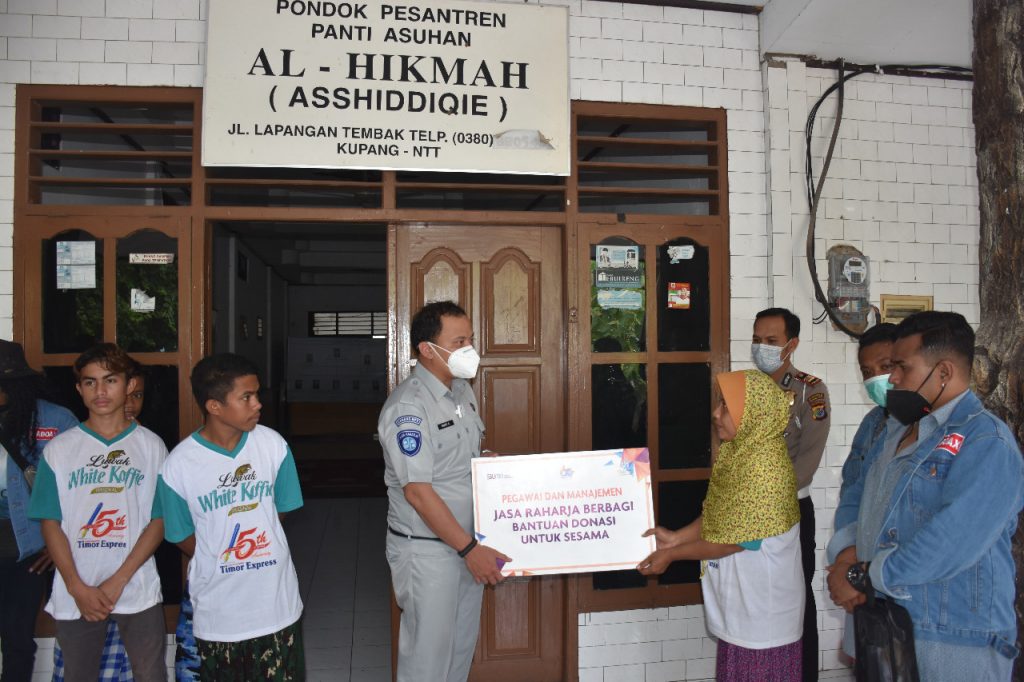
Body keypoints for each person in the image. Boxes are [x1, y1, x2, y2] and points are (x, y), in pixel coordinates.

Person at [826, 311, 1023, 680]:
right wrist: (849, 558)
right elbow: (868, 507)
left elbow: (950, 541)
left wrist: (862, 575)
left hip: (953, 640)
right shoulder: (896, 432)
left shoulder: (986, 442)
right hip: (892, 624)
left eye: (901, 367)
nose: (893, 378)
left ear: (944, 373)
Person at [638, 370, 803, 681]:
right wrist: (676, 538)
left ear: (752, 411)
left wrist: (673, 555)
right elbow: (722, 517)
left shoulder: (764, 470)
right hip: (743, 612)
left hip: (763, 621)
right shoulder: (743, 454)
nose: (715, 413)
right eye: (718, 403)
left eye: (725, 405)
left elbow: (733, 540)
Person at [379, 300, 510, 682]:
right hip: (429, 552)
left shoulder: (460, 392)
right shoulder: (409, 408)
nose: (469, 349)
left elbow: (454, 460)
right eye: (459, 341)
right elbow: (417, 492)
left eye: (469, 339)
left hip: (467, 545)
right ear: (427, 349)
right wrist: (469, 550)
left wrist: (485, 461)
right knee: (427, 660)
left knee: (457, 651)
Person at [157, 353, 304, 681]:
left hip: (276, 604)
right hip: (219, 612)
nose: (258, 405)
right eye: (246, 397)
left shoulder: (273, 447)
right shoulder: (179, 466)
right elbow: (179, 534)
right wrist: (219, 555)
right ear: (214, 406)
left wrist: (251, 549)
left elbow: (279, 510)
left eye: (257, 395)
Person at [28, 343, 167, 682]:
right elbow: (50, 522)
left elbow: (159, 520)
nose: (100, 391)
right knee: (78, 674)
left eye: (110, 380)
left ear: (129, 385)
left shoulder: (151, 446)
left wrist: (119, 580)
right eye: (89, 382)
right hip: (77, 588)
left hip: (136, 586)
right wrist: (77, 586)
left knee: (150, 673)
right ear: (79, 389)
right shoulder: (60, 450)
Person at [752, 307, 829, 680]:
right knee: (758, 597)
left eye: (770, 341)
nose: (761, 347)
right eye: (756, 340)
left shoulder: (810, 391)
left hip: (791, 510)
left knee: (797, 598)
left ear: (791, 344)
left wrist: (768, 500)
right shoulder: (743, 389)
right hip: (747, 513)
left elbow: (807, 460)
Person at [0, 339, 78, 682]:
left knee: (17, 642)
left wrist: (55, 541)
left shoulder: (56, 420)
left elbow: (83, 491)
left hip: (26, 550)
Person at [834, 322, 896, 663]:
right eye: (867, 371)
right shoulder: (873, 423)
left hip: (889, 571)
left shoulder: (926, 430)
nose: (876, 379)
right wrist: (846, 557)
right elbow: (852, 490)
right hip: (857, 563)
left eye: (885, 367)